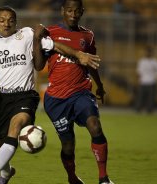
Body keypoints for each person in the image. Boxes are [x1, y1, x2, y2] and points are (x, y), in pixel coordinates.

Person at [0, 6, 101, 184]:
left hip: (25, 96)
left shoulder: (27, 34)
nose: (6, 23)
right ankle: (5, 173)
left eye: (10, 19)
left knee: (15, 128)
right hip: (0, 99)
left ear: (16, 21)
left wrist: (78, 54)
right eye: (1, 20)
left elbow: (55, 45)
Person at [33, 0, 113, 183]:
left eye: (77, 11)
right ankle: (72, 177)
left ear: (82, 12)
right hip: (56, 100)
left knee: (95, 126)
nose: (73, 14)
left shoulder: (88, 36)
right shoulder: (50, 33)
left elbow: (91, 64)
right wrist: (37, 40)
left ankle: (104, 178)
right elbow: (38, 66)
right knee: (68, 145)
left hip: (81, 93)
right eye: (69, 10)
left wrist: (99, 86)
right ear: (63, 11)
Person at [135, 46, 157, 113]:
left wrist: (156, 76)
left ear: (152, 53)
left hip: (152, 82)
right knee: (140, 97)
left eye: (150, 51)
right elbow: (139, 72)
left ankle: (149, 110)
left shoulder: (155, 62)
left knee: (151, 98)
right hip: (143, 82)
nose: (148, 53)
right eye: (147, 51)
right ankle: (138, 109)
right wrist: (138, 80)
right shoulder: (142, 61)